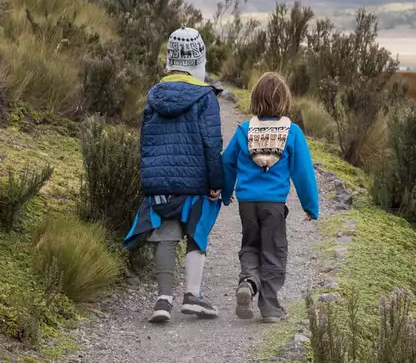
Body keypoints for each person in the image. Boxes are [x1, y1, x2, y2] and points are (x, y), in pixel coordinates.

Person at [124, 27, 225, 323]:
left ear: (170, 58)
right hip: (195, 184)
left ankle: (163, 299)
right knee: (196, 234)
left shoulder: (153, 96)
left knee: (165, 236)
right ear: (199, 60)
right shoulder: (205, 98)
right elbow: (212, 143)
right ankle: (192, 294)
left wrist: (151, 177)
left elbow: (145, 140)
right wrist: (216, 182)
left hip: (161, 184)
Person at [221, 72, 320, 322]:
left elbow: (227, 163)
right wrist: (310, 205)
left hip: (247, 204)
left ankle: (249, 282)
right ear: (284, 101)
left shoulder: (245, 130)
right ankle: (270, 307)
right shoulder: (292, 132)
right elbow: (303, 173)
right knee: (274, 250)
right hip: (274, 205)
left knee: (251, 245)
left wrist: (224, 192)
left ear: (255, 99)